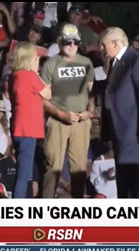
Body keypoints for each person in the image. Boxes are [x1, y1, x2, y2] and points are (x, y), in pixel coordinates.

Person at [41, 23, 94, 198]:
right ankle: (46, 209)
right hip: (57, 121)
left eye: (75, 42)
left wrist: (89, 112)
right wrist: (62, 114)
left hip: (81, 121)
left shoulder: (86, 62)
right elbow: (43, 100)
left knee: (79, 169)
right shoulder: (51, 64)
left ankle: (77, 210)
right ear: (59, 41)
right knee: (53, 167)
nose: (72, 45)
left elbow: (90, 94)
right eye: (67, 42)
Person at [99, 27, 139, 198]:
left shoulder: (136, 60)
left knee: (129, 174)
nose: (101, 49)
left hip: (132, 126)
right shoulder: (118, 61)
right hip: (118, 125)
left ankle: (133, 217)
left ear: (115, 44)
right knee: (122, 174)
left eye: (103, 45)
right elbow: (113, 88)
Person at [9, 41, 50, 198]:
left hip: (18, 126)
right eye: (36, 58)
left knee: (22, 171)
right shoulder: (29, 75)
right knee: (24, 174)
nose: (37, 60)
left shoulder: (15, 75)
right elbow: (47, 94)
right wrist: (37, 73)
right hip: (27, 128)